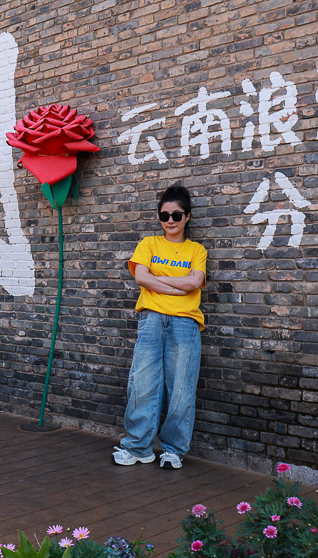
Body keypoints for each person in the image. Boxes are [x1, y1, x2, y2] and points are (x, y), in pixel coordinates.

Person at [114, 184, 207, 470]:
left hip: (185, 322)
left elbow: (196, 281)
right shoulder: (149, 244)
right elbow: (141, 277)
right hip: (152, 320)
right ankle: (138, 447)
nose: (170, 221)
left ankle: (174, 450)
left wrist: (159, 280)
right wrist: (179, 287)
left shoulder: (196, 249)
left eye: (176, 215)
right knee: (142, 383)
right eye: (164, 215)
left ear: (187, 217)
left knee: (181, 388)